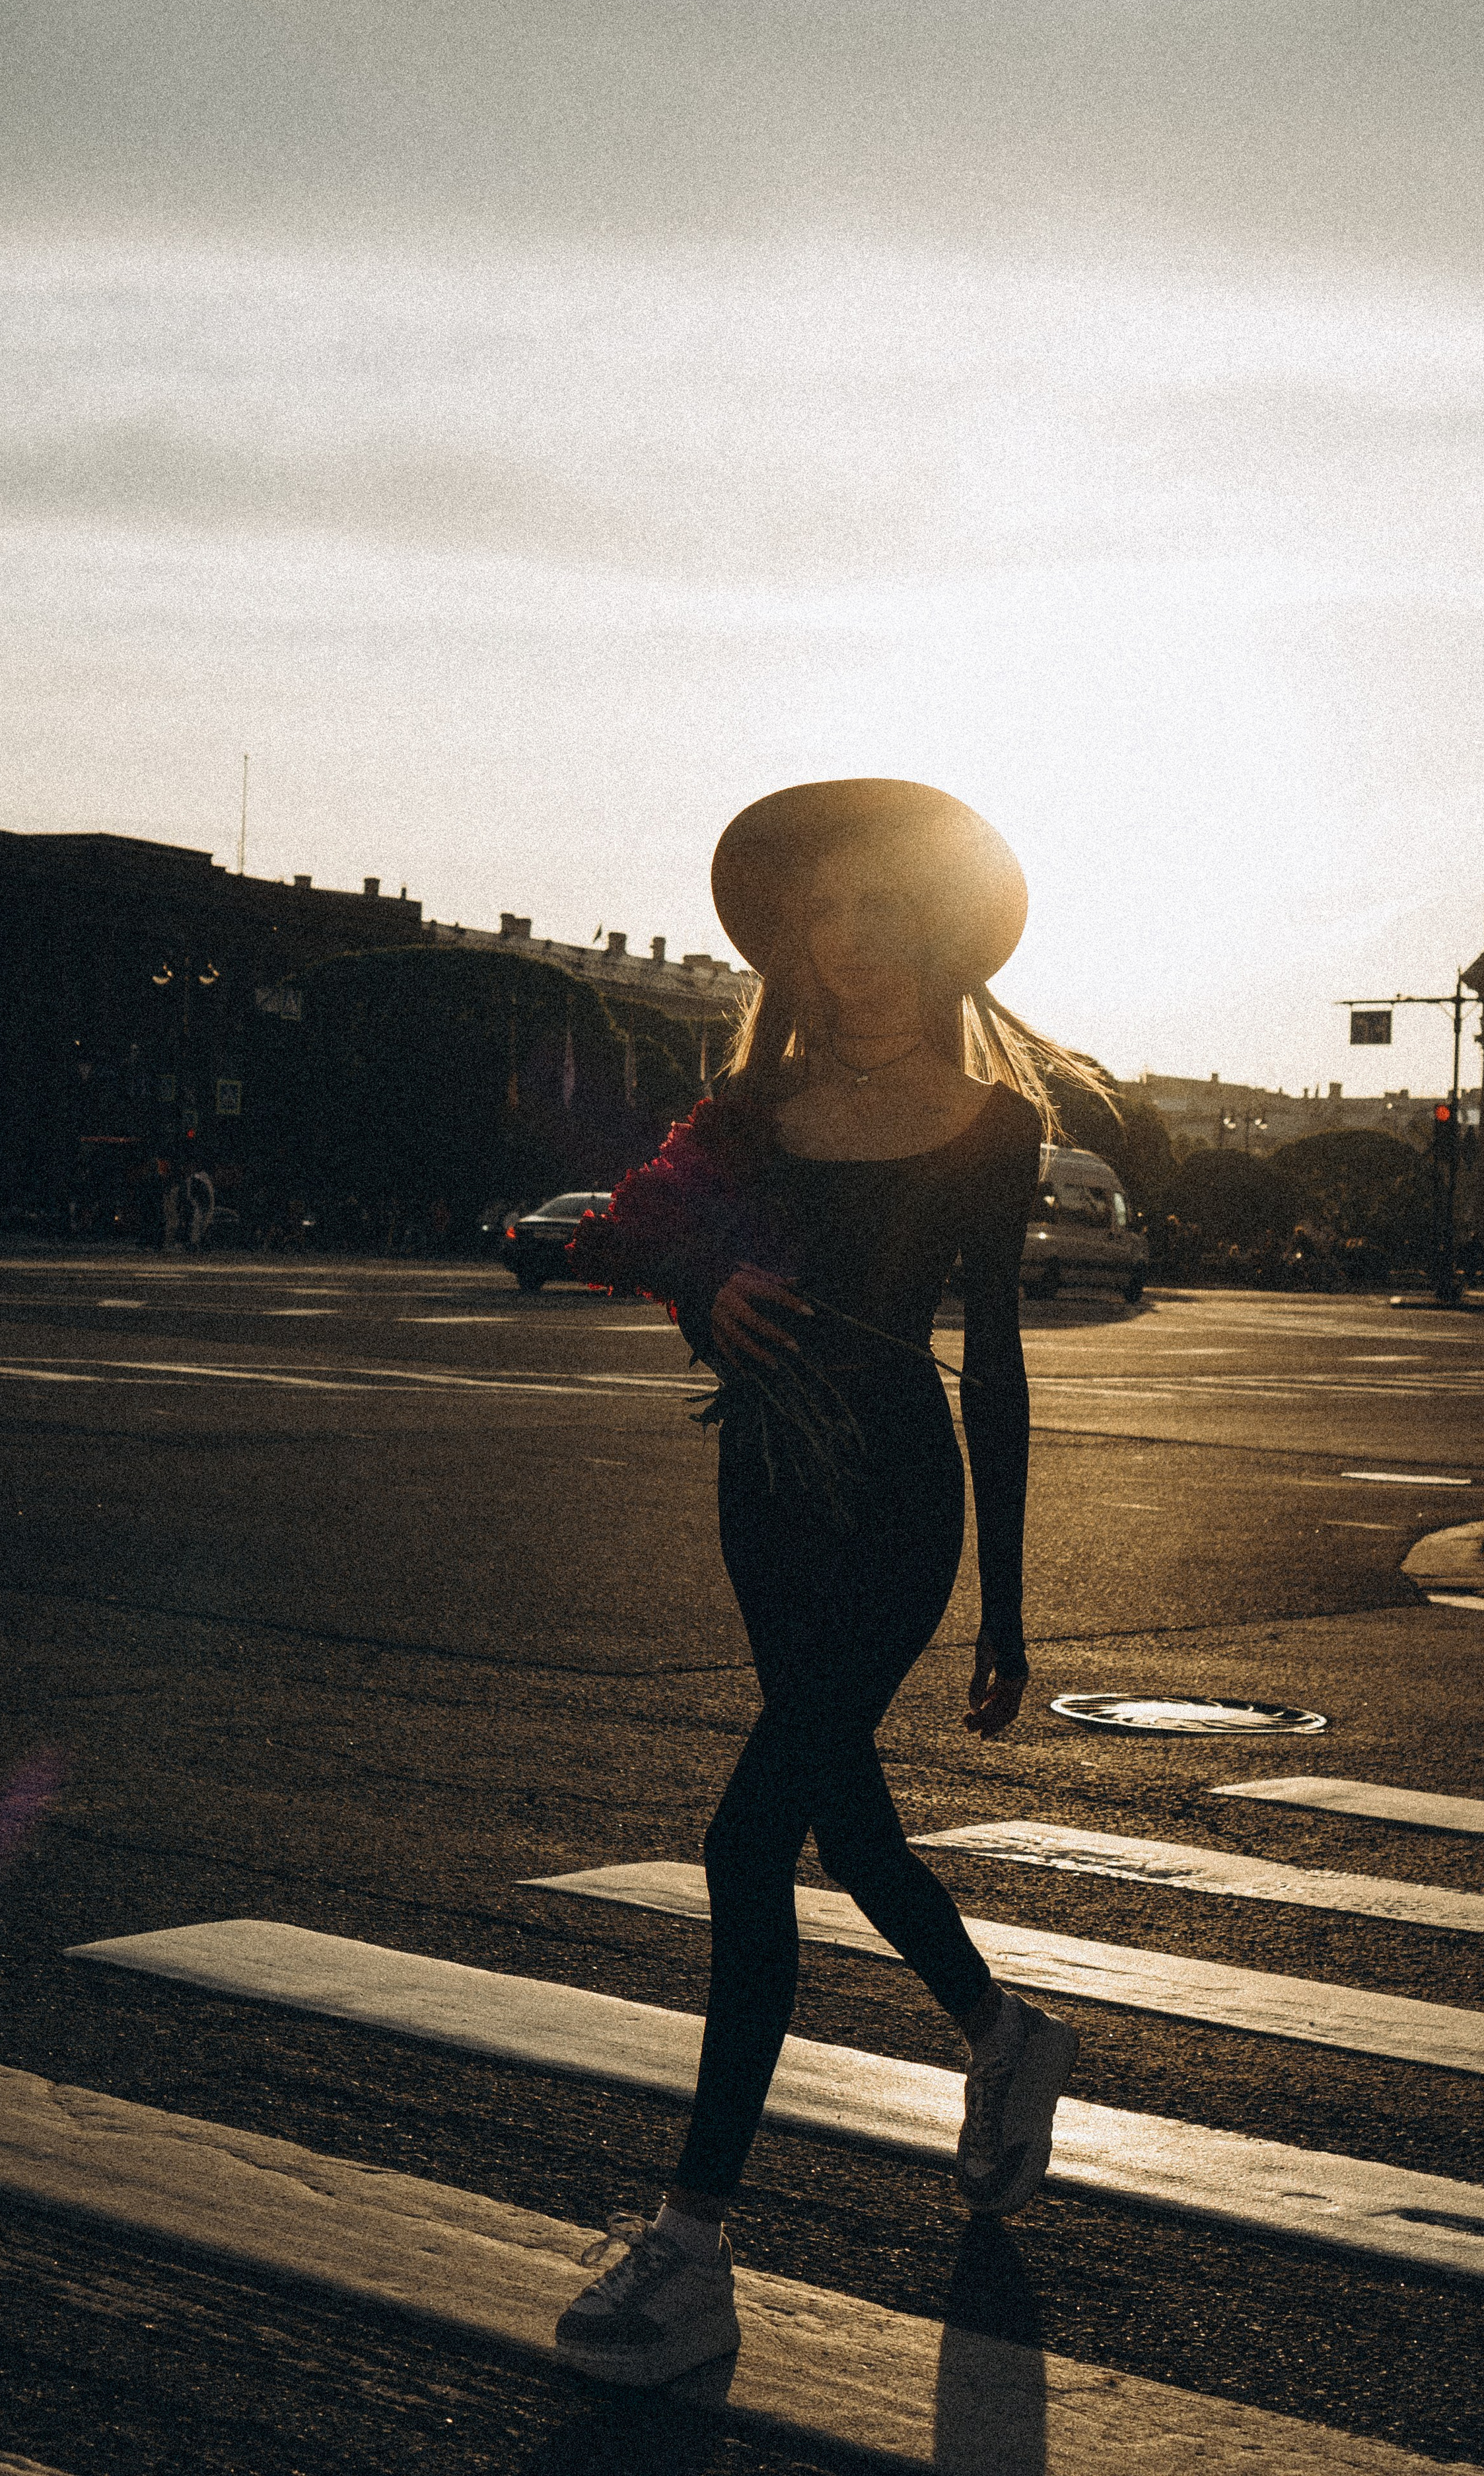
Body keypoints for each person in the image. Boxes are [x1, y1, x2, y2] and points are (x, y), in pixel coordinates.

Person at [556, 778, 1100, 2388]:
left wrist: (1004, 1605)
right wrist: (701, 1288)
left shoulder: (991, 1125)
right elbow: (668, 1251)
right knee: (839, 1810)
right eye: (815, 918)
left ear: (927, 932)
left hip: (895, 1500)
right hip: (767, 1492)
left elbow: (992, 1365)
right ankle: (1001, 2034)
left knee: (746, 1835)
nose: (841, 942)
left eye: (873, 910)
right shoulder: (750, 1115)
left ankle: (692, 2241)